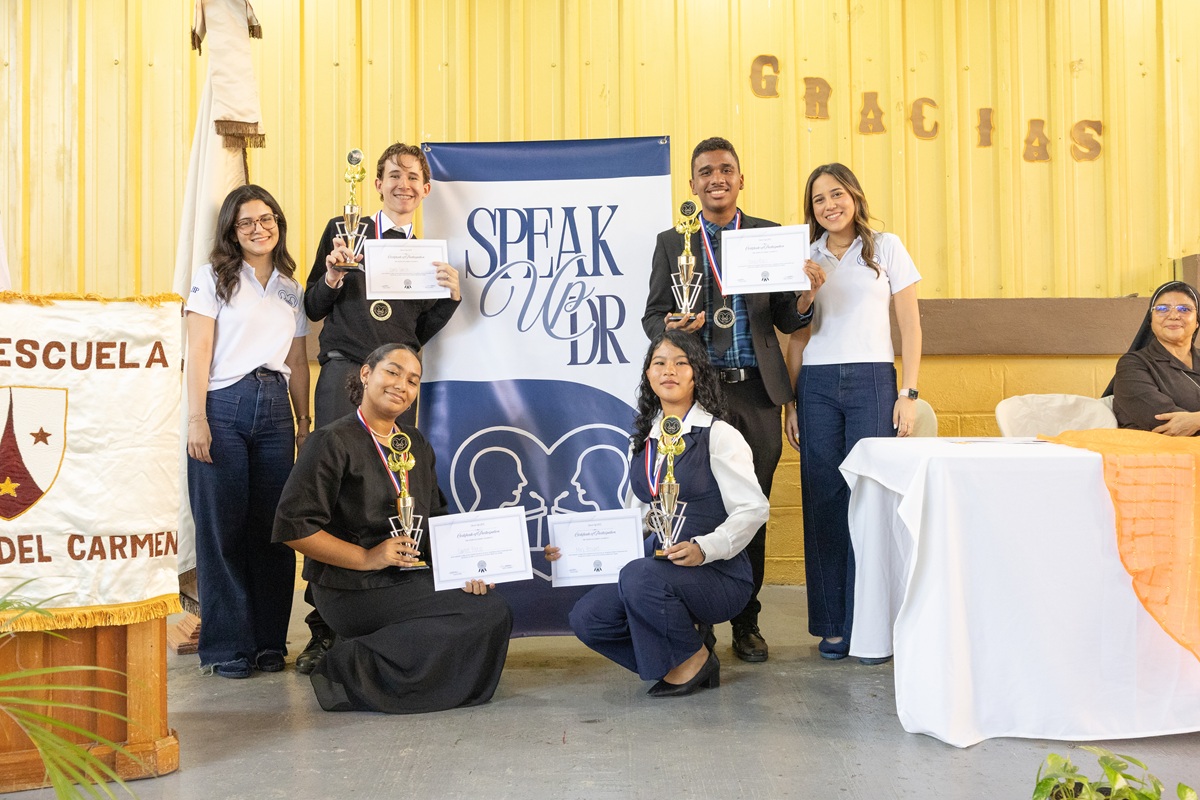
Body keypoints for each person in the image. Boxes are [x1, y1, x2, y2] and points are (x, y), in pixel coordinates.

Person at [641, 137, 817, 663]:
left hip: (757, 391)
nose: (715, 179)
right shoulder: (673, 242)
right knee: (694, 508)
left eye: (725, 170)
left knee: (750, 505)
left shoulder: (770, 238)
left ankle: (746, 620)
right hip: (699, 393)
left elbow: (788, 318)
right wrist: (671, 326)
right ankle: (696, 622)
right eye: (705, 172)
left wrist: (806, 295)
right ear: (692, 184)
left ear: (741, 179)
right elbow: (651, 317)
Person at [272, 344, 512, 713]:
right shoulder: (331, 440)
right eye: (393, 372)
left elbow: (434, 517)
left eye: (413, 380)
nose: (403, 384)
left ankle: (405, 679)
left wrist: (463, 569)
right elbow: (294, 528)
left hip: (406, 577)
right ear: (366, 374)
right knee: (475, 614)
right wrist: (368, 556)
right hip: (349, 586)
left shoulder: (414, 442)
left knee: (490, 609)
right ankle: (348, 666)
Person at [298, 142, 462, 673]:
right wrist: (333, 275)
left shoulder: (426, 255)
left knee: (394, 490)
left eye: (413, 177)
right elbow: (313, 306)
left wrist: (450, 299)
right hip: (345, 370)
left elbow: (415, 336)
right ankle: (322, 628)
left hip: (396, 386)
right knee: (331, 492)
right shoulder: (345, 231)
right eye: (393, 176)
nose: (404, 185)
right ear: (377, 184)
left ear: (426, 188)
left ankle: (384, 607)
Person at [546, 331, 769, 697]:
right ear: (649, 375)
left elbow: (753, 509)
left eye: (682, 362)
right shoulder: (644, 441)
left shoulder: (719, 435)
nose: (670, 370)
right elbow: (633, 520)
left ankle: (692, 662)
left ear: (697, 373)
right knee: (588, 619)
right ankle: (687, 654)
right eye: (659, 363)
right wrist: (576, 551)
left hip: (718, 575)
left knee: (639, 576)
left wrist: (704, 547)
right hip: (659, 572)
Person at [784, 163, 922, 664]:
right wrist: (795, 401)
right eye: (818, 199)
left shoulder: (886, 248)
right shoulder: (805, 255)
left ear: (855, 197)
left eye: (836, 194)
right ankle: (833, 624)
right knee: (824, 500)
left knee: (870, 499)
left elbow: (909, 323)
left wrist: (907, 392)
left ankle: (874, 623)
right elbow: (798, 331)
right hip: (818, 383)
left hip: (873, 380)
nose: (829, 206)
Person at [185, 184, 311, 679]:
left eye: (267, 219)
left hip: (276, 408)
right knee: (223, 532)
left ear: (278, 223)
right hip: (223, 405)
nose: (259, 229)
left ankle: (267, 643)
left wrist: (304, 424)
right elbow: (197, 351)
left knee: (273, 531)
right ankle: (225, 648)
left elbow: (299, 360)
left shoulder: (290, 285)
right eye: (246, 222)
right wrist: (197, 418)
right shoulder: (213, 277)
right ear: (232, 232)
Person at [1109, 280, 1200, 435]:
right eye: (1162, 309)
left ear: (1197, 321)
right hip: (1160, 455)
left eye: (1184, 309)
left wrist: (1196, 420)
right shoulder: (1133, 365)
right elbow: (1165, 423)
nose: (1173, 315)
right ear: (1151, 320)